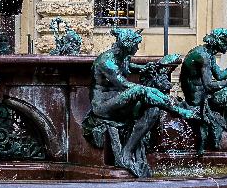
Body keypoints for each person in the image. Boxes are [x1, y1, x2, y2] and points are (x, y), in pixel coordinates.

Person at [84, 28, 195, 177]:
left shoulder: (124, 56)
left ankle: (127, 151)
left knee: (153, 109)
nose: (137, 48)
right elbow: (125, 85)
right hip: (104, 107)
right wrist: (146, 91)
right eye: (136, 45)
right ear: (127, 44)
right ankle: (178, 110)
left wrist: (144, 68)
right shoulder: (106, 61)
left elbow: (129, 67)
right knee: (140, 91)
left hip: (118, 105)